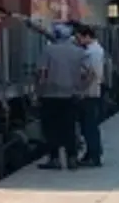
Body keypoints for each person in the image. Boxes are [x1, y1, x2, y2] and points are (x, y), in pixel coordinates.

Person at [35, 23, 88, 170]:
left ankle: (55, 158)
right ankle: (72, 157)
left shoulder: (48, 50)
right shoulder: (78, 52)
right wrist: (81, 88)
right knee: (69, 127)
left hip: (50, 95)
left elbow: (42, 73)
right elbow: (87, 73)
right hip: (71, 95)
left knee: (51, 128)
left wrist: (38, 91)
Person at [74, 24, 104, 168]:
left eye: (79, 37)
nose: (77, 40)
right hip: (91, 92)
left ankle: (94, 155)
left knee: (89, 126)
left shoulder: (93, 52)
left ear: (87, 36)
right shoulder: (93, 50)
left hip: (89, 93)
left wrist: (81, 90)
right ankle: (92, 153)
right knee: (88, 126)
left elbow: (91, 73)